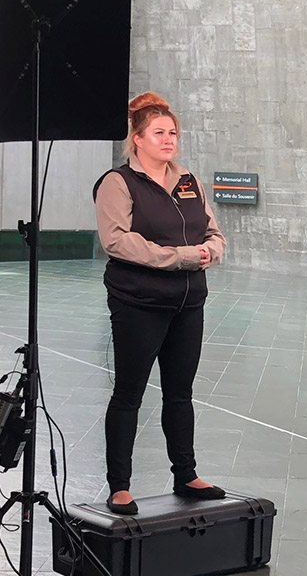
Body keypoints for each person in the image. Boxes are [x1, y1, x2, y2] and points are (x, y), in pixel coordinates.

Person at [92, 91, 227, 515]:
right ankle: (119, 486)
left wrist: (212, 250)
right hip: (139, 303)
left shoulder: (189, 180)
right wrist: (182, 258)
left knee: (180, 394)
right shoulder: (118, 182)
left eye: (173, 133)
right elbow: (117, 241)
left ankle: (185, 474)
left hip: (189, 304)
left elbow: (213, 232)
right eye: (158, 133)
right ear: (138, 139)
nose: (168, 140)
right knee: (129, 393)